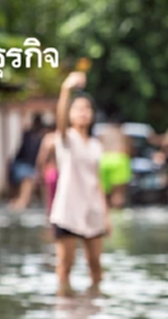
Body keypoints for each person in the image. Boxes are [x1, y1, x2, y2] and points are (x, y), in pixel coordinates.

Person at [48, 71, 110, 297]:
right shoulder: (65, 139)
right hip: (68, 210)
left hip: (92, 209)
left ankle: (95, 303)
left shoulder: (95, 144)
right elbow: (60, 120)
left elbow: (97, 181)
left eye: (87, 108)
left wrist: (106, 214)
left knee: (96, 265)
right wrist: (66, 89)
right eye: (77, 108)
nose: (83, 112)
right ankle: (65, 306)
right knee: (66, 265)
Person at [10, 114, 47, 210]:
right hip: (25, 164)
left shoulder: (39, 136)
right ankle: (22, 201)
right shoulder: (29, 134)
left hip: (30, 165)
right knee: (28, 178)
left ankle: (22, 201)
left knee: (28, 179)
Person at [97, 122, 133, 209]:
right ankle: (117, 211)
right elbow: (129, 149)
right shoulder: (123, 134)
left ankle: (106, 210)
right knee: (118, 193)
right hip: (119, 158)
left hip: (104, 160)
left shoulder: (103, 133)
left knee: (103, 192)